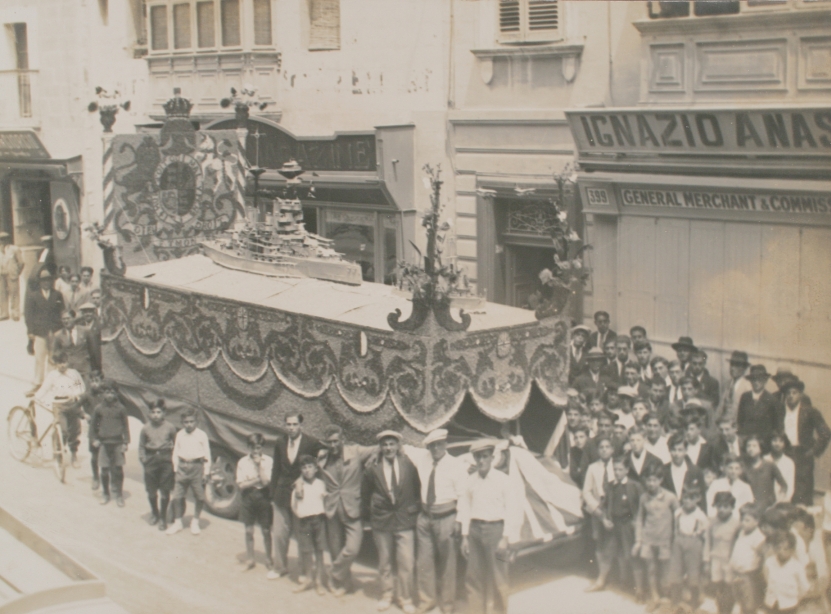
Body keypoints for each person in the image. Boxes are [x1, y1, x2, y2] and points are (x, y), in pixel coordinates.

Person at [407, 429, 467, 614]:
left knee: (448, 564)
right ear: (428, 447)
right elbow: (405, 447)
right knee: (424, 562)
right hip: (425, 518)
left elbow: (463, 496)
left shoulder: (456, 465)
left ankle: (447, 605)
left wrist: (459, 521)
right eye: (432, 445)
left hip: (447, 517)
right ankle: (427, 601)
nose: (435, 448)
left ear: (445, 444)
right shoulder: (422, 459)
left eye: (439, 444)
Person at [316, 424, 377, 596]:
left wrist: (374, 457)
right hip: (332, 509)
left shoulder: (355, 452)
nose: (333, 445)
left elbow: (379, 447)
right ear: (326, 443)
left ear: (342, 439)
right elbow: (310, 473)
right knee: (335, 550)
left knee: (352, 549)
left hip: (353, 507)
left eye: (336, 441)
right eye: (330, 442)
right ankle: (343, 584)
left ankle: (332, 573)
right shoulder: (322, 458)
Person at [363, 430, 420, 613]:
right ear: (380, 447)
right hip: (382, 520)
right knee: (385, 561)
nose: (388, 448)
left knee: (406, 562)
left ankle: (405, 598)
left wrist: (413, 508)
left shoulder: (408, 464)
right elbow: (366, 492)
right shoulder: (373, 467)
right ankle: (386, 595)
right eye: (385, 445)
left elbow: (417, 487)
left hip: (404, 519)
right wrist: (374, 509)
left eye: (391, 444)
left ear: (397, 446)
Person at [458, 440, 515, 614]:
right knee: (473, 577)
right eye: (478, 457)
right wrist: (465, 537)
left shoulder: (503, 480)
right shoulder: (470, 481)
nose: (481, 460)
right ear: (474, 459)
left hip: (495, 531)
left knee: (499, 577)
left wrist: (505, 538)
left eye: (484, 456)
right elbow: (465, 508)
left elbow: (512, 510)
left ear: (492, 457)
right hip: (475, 531)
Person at [270, 412, 323, 580]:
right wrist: (272, 495)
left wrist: (304, 479)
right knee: (279, 534)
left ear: (301, 425)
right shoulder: (280, 442)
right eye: (288, 424)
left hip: (302, 495)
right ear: (285, 425)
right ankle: (279, 567)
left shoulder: (311, 443)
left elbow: (322, 459)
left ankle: (303, 571)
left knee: (302, 535)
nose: (291, 428)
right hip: (281, 494)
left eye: (294, 424)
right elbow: (276, 469)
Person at [774, 378, 830, 506]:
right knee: (784, 485)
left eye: (794, 392)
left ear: (800, 394)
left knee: (802, 491)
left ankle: (802, 515)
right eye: (788, 393)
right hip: (784, 453)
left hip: (802, 455)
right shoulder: (780, 411)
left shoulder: (809, 411)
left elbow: (825, 433)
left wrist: (813, 451)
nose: (791, 396)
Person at [633, 463, 678, 610]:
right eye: (648, 480)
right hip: (648, 539)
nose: (651, 483)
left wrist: (676, 537)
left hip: (665, 539)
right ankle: (654, 596)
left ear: (660, 480)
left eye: (654, 480)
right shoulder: (644, 498)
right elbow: (640, 519)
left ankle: (667, 596)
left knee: (666, 570)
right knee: (651, 569)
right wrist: (639, 540)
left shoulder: (670, 497)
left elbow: (679, 517)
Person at [34, 350, 86, 467]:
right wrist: (37, 397)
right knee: (63, 430)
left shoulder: (74, 374)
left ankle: (74, 455)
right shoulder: (52, 375)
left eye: (64, 362)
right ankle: (58, 453)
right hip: (59, 405)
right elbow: (44, 388)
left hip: (72, 404)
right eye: (59, 363)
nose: (62, 365)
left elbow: (81, 387)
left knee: (75, 430)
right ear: (55, 364)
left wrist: (75, 393)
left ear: (67, 362)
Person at [166, 408, 211, 535]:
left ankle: (195, 522)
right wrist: (176, 469)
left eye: (191, 421)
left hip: (197, 468)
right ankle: (178, 522)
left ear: (196, 422)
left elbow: (207, 454)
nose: (189, 424)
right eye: (186, 422)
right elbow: (175, 452)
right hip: (182, 467)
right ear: (182, 422)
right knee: (177, 496)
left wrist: (206, 472)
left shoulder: (202, 435)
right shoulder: (180, 434)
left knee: (200, 497)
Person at [602, 455, 642, 595]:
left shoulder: (634, 486)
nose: (617, 472)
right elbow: (605, 505)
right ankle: (624, 581)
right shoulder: (611, 486)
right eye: (615, 469)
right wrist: (605, 518)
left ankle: (639, 589)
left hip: (627, 525)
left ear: (627, 470)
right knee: (619, 554)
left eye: (620, 469)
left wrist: (635, 522)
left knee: (632, 556)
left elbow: (640, 507)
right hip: (615, 525)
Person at [236, 433, 274, 573]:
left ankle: (269, 559)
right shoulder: (242, 462)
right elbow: (241, 485)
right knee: (248, 530)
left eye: (258, 447)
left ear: (262, 447)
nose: (255, 451)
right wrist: (256, 480)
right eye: (252, 447)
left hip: (263, 496)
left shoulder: (268, 461)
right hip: (248, 496)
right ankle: (250, 559)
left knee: (266, 530)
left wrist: (258, 466)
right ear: (248, 447)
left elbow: (266, 482)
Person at [291, 454, 328, 595]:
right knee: (306, 551)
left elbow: (325, 500)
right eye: (304, 468)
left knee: (319, 550)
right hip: (305, 522)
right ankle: (308, 579)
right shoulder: (298, 486)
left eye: (310, 467)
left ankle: (319, 581)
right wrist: (302, 514)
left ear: (316, 469)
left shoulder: (321, 484)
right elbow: (294, 506)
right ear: (301, 470)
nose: (307, 470)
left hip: (319, 521)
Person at [24, 267, 64, 394]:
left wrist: (59, 329)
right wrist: (30, 331)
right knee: (39, 357)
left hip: (54, 331)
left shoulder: (57, 295)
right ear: (40, 282)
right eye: (44, 280)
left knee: (53, 357)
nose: (46, 282)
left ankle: (50, 383)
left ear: (52, 281)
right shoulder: (33, 296)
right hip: (40, 332)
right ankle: (38, 383)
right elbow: (29, 315)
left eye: (48, 280)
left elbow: (61, 313)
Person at [90, 379, 129, 507]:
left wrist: (125, 442)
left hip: (117, 443)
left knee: (118, 469)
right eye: (107, 392)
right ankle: (106, 494)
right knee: (104, 470)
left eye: (112, 392)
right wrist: (94, 439)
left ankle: (119, 495)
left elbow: (125, 426)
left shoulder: (121, 409)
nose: (110, 395)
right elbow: (93, 426)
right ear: (103, 393)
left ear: (116, 393)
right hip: (104, 443)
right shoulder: (99, 409)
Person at [667, 487, 708, 612]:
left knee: (693, 574)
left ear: (697, 499)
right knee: (675, 572)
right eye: (685, 498)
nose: (687, 501)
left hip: (694, 542)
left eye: (691, 498)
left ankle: (694, 602)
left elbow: (705, 534)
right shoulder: (678, 512)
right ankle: (676, 601)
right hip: (679, 541)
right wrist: (676, 539)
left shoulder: (700, 515)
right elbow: (675, 527)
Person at [139, 399, 177, 531]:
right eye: (153, 412)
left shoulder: (170, 427)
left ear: (164, 413)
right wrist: (144, 459)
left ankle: (162, 517)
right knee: (151, 491)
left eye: (158, 412)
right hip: (151, 460)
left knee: (165, 491)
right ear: (149, 413)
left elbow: (176, 444)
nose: (156, 415)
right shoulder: (145, 428)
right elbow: (141, 446)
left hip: (166, 460)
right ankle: (155, 513)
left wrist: (173, 460)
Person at [583, 437, 615, 592]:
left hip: (614, 509)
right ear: (597, 450)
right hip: (598, 509)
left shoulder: (618, 465)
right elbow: (586, 491)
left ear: (612, 449)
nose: (604, 449)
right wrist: (596, 509)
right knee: (600, 544)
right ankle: (601, 578)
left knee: (613, 544)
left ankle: (613, 576)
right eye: (601, 447)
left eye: (607, 446)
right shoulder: (592, 468)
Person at [704, 491, 741, 614]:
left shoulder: (737, 524)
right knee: (718, 586)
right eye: (719, 506)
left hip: (729, 561)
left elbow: (739, 545)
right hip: (716, 559)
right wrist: (706, 561)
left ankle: (727, 610)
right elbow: (708, 542)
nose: (722, 510)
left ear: (732, 507)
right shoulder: (712, 522)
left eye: (726, 506)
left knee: (729, 587)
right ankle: (720, 609)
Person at [729, 503, 767, 614]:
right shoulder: (742, 532)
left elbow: (763, 555)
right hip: (737, 573)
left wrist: (759, 570)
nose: (743, 523)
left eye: (747, 520)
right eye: (742, 519)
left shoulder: (758, 537)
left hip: (749, 575)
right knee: (739, 598)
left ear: (757, 521)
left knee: (749, 602)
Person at [763, 531, 809, 614]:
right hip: (771, 604)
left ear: (792, 550)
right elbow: (767, 578)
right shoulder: (769, 562)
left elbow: (804, 588)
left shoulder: (797, 566)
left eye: (785, 549)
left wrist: (795, 599)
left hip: (789, 605)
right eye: (778, 548)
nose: (781, 551)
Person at [737, 365, 780, 451]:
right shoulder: (745, 397)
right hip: (746, 442)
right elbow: (740, 420)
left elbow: (775, 425)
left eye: (759, 379)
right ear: (750, 381)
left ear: (765, 381)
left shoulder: (771, 400)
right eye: (754, 379)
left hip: (763, 444)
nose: (756, 382)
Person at [744, 435, 788, 512]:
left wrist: (778, 502)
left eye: (754, 446)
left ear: (761, 448)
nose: (751, 449)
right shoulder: (744, 467)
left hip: (768, 508)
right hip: (751, 509)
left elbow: (784, 485)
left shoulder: (770, 465)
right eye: (748, 446)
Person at [52, 309, 98, 379]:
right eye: (63, 319)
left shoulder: (85, 331)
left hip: (84, 368)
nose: (66, 321)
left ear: (74, 318)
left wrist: (94, 369)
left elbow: (93, 351)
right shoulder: (58, 335)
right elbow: (56, 353)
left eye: (68, 318)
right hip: (68, 370)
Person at [78, 369, 104, 489]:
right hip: (94, 429)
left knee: (107, 454)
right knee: (95, 455)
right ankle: (96, 477)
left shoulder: (106, 395)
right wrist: (83, 414)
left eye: (97, 381)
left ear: (101, 381)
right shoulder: (86, 395)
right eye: (92, 381)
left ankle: (106, 477)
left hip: (106, 428)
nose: (94, 384)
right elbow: (75, 407)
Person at [662, 432, 706, 504]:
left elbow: (702, 500)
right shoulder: (663, 471)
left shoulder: (696, 471)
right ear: (669, 450)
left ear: (685, 451)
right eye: (673, 450)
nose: (676, 453)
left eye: (680, 450)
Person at [720, 351, 752, 425]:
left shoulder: (748, 387)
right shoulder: (727, 384)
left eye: (737, 365)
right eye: (732, 364)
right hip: (723, 424)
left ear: (744, 368)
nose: (732, 368)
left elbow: (747, 413)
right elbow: (721, 407)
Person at [0, 231, 24, 321]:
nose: (2, 241)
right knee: (2, 294)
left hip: (12, 274)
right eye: (0, 239)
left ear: (8, 239)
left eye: (4, 239)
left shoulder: (14, 249)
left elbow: (21, 262)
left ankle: (15, 313)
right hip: (1, 275)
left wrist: (17, 272)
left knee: (14, 293)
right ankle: (4, 313)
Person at [76, 302, 102, 372]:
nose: (88, 314)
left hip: (96, 359)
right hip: (83, 359)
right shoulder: (79, 326)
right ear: (82, 314)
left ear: (93, 313)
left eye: (90, 312)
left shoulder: (99, 325)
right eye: (85, 312)